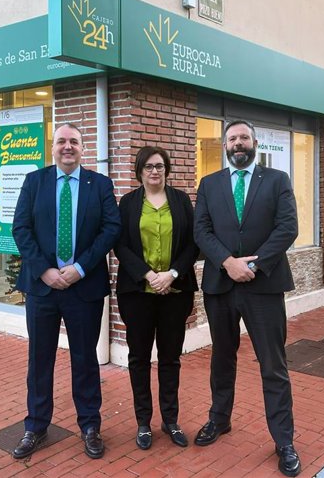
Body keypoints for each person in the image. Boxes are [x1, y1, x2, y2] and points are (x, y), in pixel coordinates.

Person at [193, 120, 301, 477]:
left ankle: (284, 440)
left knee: (273, 365)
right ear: (224, 146)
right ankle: (219, 419)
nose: (238, 143)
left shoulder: (277, 180)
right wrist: (227, 262)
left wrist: (253, 264)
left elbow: (288, 227)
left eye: (244, 137)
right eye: (232, 138)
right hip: (220, 286)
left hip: (263, 286)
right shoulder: (209, 184)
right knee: (222, 359)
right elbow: (201, 230)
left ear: (255, 143)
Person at [11, 123, 121, 460]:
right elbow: (21, 228)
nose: (67, 147)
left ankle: (90, 425)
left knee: (85, 359)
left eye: (74, 141)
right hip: (43, 288)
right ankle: (36, 426)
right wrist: (43, 269)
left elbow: (111, 228)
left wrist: (80, 268)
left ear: (82, 148)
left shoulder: (99, 184)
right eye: (61, 141)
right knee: (39, 359)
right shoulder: (35, 181)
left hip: (83, 287)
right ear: (53, 147)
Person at [114, 146, 199, 450]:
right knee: (138, 358)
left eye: (160, 166)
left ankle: (170, 419)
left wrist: (172, 273)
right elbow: (120, 245)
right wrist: (149, 275)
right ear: (140, 170)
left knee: (170, 358)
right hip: (137, 293)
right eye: (149, 166)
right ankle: (143, 423)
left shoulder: (181, 201)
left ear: (167, 169)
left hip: (175, 293)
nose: (154, 171)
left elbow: (193, 243)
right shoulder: (127, 203)